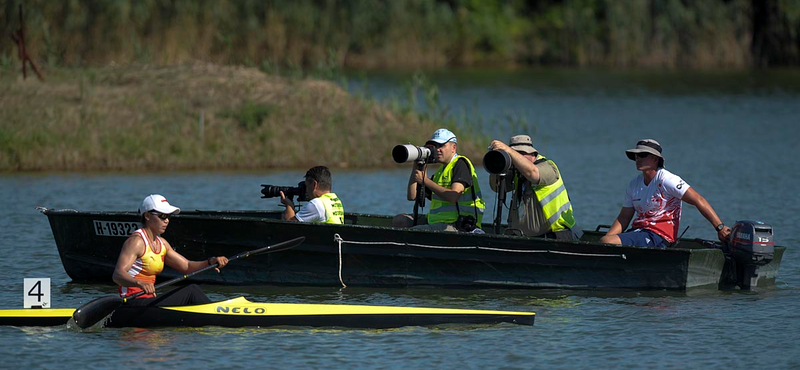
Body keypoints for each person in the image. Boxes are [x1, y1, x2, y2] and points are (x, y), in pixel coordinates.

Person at [599, 139, 732, 248]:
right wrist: (605, 240)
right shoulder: (633, 184)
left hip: (659, 236)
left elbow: (698, 199)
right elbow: (624, 218)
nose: (638, 159)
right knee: (606, 240)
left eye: (643, 155)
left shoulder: (667, 180)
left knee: (607, 242)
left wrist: (719, 227)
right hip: (640, 232)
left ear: (655, 159)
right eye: (636, 155)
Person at [112, 194, 229, 306]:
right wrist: (139, 283)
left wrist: (210, 262)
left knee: (191, 293)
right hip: (132, 302)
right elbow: (117, 275)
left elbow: (187, 266)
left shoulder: (162, 243)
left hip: (149, 301)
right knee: (191, 291)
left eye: (168, 216)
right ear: (147, 216)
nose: (167, 220)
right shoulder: (137, 242)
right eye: (162, 216)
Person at [392, 128, 486, 232]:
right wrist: (417, 164)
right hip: (437, 221)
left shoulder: (460, 164)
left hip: (458, 224)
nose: (437, 149)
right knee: (399, 221)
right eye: (435, 146)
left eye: (441, 145)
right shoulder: (440, 171)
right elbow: (412, 196)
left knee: (416, 231)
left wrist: (426, 181)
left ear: (453, 148)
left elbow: (453, 196)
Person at [488, 135, 578, 240]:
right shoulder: (518, 173)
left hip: (557, 237)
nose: (516, 159)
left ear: (533, 154)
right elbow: (496, 186)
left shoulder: (549, 167)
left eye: (520, 154)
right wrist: (496, 160)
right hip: (526, 239)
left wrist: (509, 150)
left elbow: (533, 173)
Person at [280, 165, 344, 224]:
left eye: (307, 186)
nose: (306, 191)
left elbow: (291, 225)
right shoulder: (335, 200)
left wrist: (289, 205)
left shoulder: (317, 204)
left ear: (314, 184)